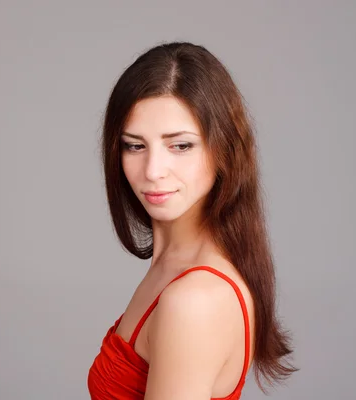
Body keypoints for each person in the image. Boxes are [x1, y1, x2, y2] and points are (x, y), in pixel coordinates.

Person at [87, 41, 297, 400]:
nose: (153, 171)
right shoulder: (173, 266)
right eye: (135, 145)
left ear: (224, 151)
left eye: (180, 146)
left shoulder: (195, 299)